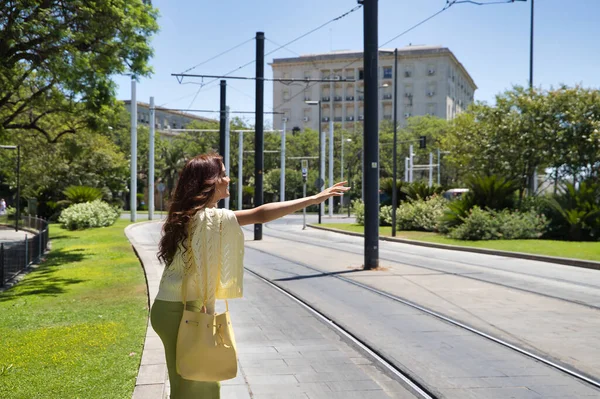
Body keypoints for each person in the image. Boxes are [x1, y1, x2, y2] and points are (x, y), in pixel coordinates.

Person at [151, 152, 349, 399]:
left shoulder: (190, 215)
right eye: (222, 174)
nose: (228, 178)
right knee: (198, 385)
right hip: (181, 310)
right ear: (209, 182)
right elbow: (260, 214)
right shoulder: (205, 218)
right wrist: (313, 198)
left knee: (190, 381)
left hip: (171, 307)